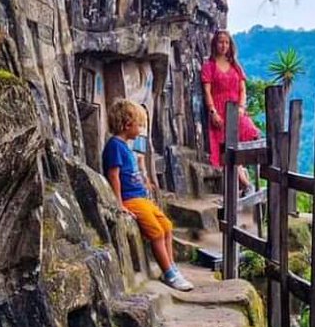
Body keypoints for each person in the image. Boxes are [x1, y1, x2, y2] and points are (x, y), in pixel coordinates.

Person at [103, 98, 193, 292]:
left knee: (167, 227)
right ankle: (169, 273)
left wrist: (145, 181)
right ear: (127, 125)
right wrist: (119, 204)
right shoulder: (114, 146)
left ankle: (171, 267)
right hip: (131, 199)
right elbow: (113, 176)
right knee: (157, 232)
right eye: (140, 125)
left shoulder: (126, 146)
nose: (141, 129)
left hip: (141, 198)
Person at [201, 29, 261, 192]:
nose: (223, 45)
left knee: (251, 135)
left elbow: (243, 89)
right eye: (220, 42)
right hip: (219, 112)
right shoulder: (209, 67)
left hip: (236, 111)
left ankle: (249, 184)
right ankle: (247, 186)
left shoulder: (235, 66)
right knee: (228, 151)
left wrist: (242, 107)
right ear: (215, 44)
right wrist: (213, 112)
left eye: (226, 42)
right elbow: (207, 91)